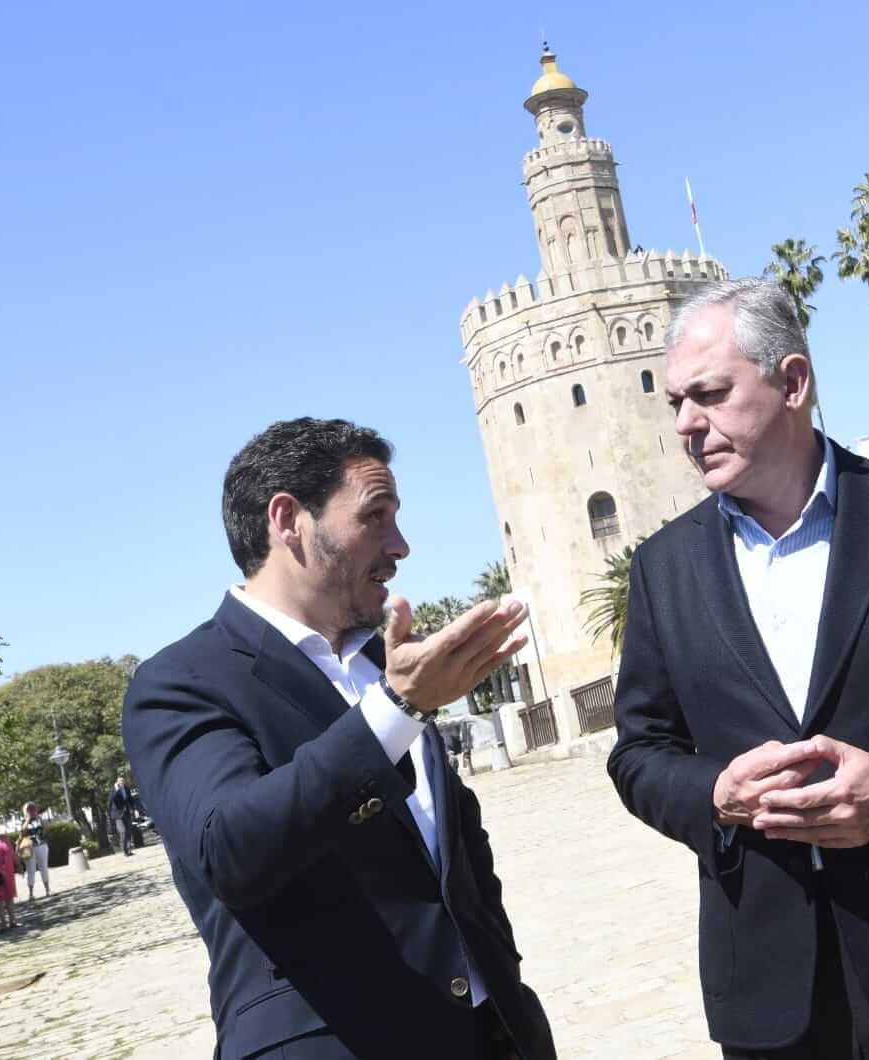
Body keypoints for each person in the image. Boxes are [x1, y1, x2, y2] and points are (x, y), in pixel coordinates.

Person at [606, 279, 869, 1059]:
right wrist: (717, 795)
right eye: (675, 403)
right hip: (769, 1001)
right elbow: (638, 752)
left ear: (793, 381)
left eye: (709, 394)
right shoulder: (662, 570)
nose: (688, 425)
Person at [122, 418, 556, 1060]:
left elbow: (456, 841)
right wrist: (398, 709)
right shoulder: (180, 682)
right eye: (374, 517)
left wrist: (499, 971)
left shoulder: (386, 664)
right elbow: (230, 850)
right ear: (288, 520)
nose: (400, 544)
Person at [0, 818, 17, 930]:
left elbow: (12, 852)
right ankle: (3, 923)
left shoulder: (4, 837)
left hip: (9, 871)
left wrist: (18, 864)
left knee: (10, 895)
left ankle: (13, 921)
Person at [19, 802, 50, 899]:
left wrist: (39, 818)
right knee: (30, 870)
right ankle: (31, 893)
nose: (32, 811)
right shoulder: (24, 821)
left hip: (41, 845)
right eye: (29, 809)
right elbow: (22, 832)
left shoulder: (39, 819)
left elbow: (45, 830)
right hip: (28, 847)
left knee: (43, 868)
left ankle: (47, 889)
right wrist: (28, 819)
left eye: (33, 808)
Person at [109, 773, 136, 856]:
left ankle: (128, 850)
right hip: (118, 814)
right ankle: (125, 850)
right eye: (120, 781)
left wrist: (134, 810)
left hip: (127, 812)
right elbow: (112, 798)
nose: (122, 782)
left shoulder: (126, 788)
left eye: (123, 781)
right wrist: (117, 788)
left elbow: (130, 799)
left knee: (128, 831)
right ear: (117, 781)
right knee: (123, 832)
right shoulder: (113, 789)